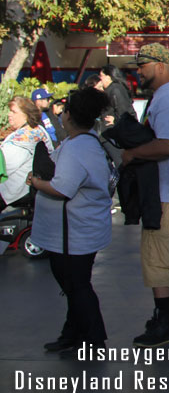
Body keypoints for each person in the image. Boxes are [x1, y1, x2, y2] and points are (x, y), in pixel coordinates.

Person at [120, 43, 169, 347]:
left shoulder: (167, 100)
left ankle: (164, 321)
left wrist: (132, 154)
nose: (139, 71)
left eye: (143, 65)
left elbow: (168, 145)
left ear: (162, 66)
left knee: (159, 262)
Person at [25, 87, 112, 356]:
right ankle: (73, 333)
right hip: (77, 231)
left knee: (76, 285)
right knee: (75, 285)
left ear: (70, 117)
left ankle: (93, 337)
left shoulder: (77, 148)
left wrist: (36, 182)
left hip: (72, 233)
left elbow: (63, 188)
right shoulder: (87, 143)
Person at [1, 97, 53, 212]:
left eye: (14, 112)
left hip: (14, 194)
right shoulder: (38, 129)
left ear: (26, 114)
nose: (9, 115)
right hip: (29, 190)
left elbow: (4, 166)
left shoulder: (22, 137)